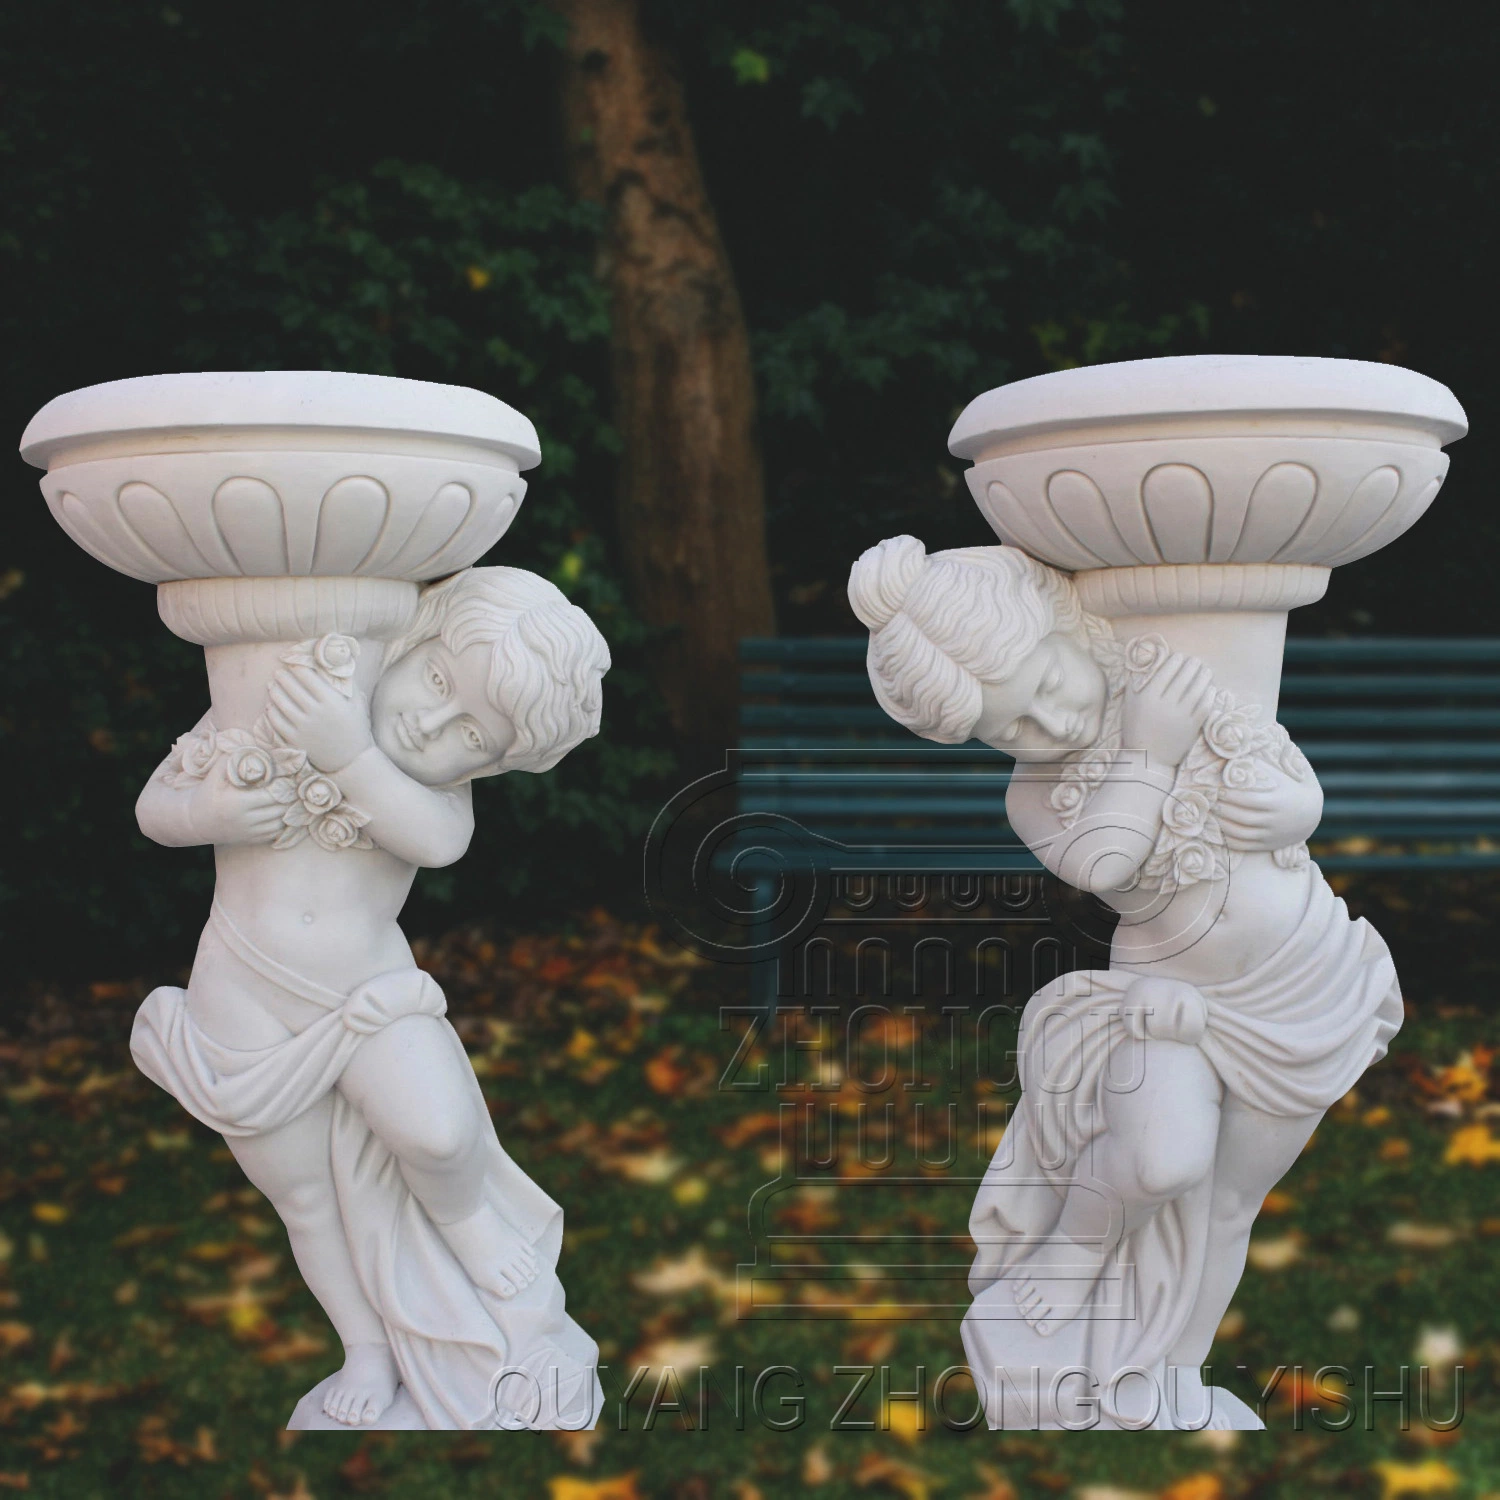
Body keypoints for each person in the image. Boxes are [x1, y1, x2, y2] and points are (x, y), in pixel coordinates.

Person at [849, 536, 1402, 1428]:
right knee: (1162, 1160)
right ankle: (1071, 1247)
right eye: (1010, 730)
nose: (1046, 726)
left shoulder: (1169, 678)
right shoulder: (1037, 796)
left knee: (1230, 1206)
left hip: (1305, 977)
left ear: (1065, 624)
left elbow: (1285, 777)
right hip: (1168, 999)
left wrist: (1295, 809)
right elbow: (1106, 859)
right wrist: (1147, 749)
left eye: (1046, 684)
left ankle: (1173, 1377)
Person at [131, 566, 610, 1429]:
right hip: (239, 984)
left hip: (367, 993)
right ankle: (365, 1347)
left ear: (498, 763)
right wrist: (213, 814)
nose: (432, 724)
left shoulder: (434, 797)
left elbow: (436, 843)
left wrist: (346, 750)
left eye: (473, 734)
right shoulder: (291, 699)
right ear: (415, 639)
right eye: (437, 681)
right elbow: (155, 806)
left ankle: (469, 1221)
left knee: (438, 1131)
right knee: (303, 1198)